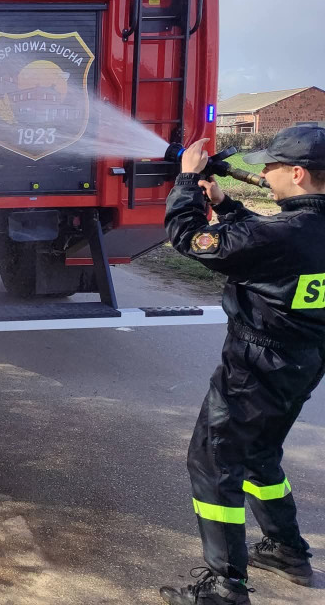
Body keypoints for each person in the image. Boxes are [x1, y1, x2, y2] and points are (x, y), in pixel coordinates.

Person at [159, 125, 325, 605]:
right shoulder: (297, 232)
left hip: (256, 365)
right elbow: (276, 242)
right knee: (258, 454)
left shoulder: (280, 235)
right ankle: (288, 550)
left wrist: (188, 183)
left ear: (297, 173)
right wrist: (228, 206)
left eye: (270, 167)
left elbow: (188, 239)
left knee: (214, 462)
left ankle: (225, 587)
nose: (265, 175)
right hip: (304, 361)